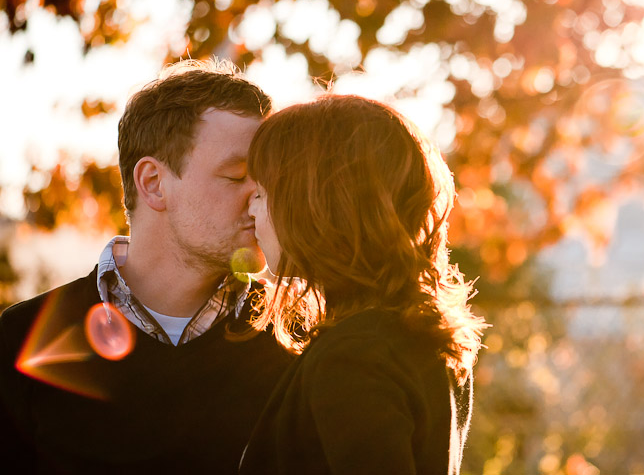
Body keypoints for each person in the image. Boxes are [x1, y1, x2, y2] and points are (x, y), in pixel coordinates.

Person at [0, 59, 292, 474]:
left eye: (266, 181)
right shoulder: (24, 340)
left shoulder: (293, 338)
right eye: (236, 176)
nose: (260, 198)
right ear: (153, 183)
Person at [239, 95, 485, 474]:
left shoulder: (354, 356)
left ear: (314, 203)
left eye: (261, 193)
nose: (250, 209)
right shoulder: (419, 341)